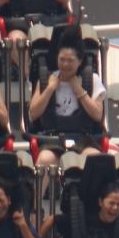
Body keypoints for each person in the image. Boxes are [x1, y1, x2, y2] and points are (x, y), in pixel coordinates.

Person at [27, 32, 106, 166]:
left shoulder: (93, 80)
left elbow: (98, 115)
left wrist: (79, 91)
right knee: (45, 159)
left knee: (94, 158)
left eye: (70, 61)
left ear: (79, 61)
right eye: (62, 59)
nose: (65, 64)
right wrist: (50, 89)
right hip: (53, 139)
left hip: (83, 139)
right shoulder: (46, 80)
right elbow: (33, 114)